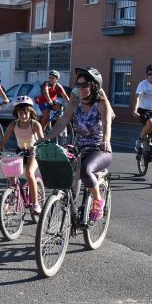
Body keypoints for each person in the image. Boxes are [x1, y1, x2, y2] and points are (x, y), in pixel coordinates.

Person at [40, 67, 113, 221]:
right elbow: (61, 124)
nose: (81, 88)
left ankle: (98, 201)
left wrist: (106, 140)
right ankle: (67, 221)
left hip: (99, 149)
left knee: (86, 170)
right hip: (79, 149)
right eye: (78, 85)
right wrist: (46, 138)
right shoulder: (74, 104)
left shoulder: (101, 103)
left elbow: (107, 124)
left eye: (85, 85)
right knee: (68, 182)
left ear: (94, 86)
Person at [0, 96, 44, 214]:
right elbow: (3, 141)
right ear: (16, 113)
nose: (23, 116)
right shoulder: (13, 125)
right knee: (10, 172)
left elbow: (41, 140)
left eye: (26, 113)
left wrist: (40, 149)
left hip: (33, 152)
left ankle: (35, 204)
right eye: (20, 113)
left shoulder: (35, 124)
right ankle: (12, 194)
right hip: (20, 151)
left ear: (30, 112)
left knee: (29, 173)